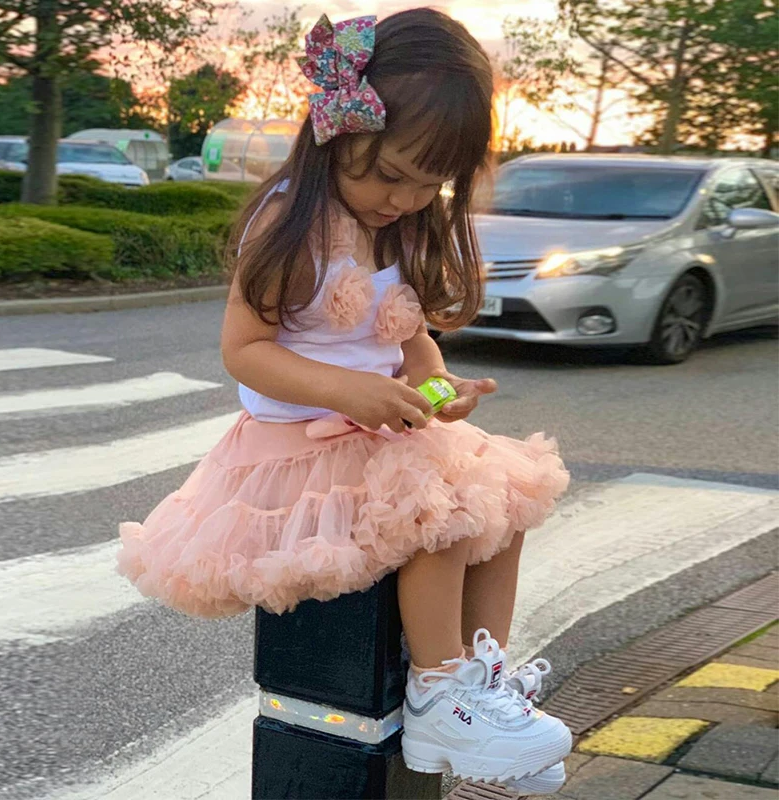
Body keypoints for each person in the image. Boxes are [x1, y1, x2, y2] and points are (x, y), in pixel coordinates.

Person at [118, 8, 571, 793]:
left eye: (430, 183)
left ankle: (481, 689)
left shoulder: (396, 228)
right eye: (391, 174)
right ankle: (438, 692)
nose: (407, 197)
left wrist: (440, 392)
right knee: (439, 513)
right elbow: (246, 351)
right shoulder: (291, 224)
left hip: (379, 434)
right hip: (303, 447)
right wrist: (352, 391)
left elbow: (412, 343)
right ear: (336, 134)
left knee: (504, 510)